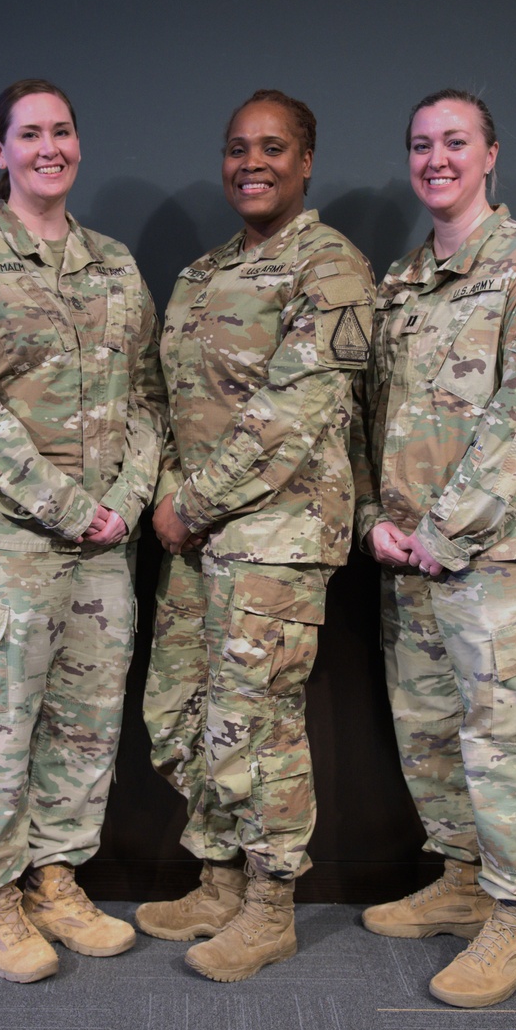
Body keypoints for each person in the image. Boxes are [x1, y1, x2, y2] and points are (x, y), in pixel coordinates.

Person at [0, 79, 165, 983]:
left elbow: (147, 397)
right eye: (29, 134)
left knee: (85, 727)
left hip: (100, 549)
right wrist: (68, 505)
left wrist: (126, 501)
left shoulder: (115, 266)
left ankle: (58, 877)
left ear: (78, 146)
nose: (48, 146)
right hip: (0, 549)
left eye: (61, 131)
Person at [354, 89, 516, 1008]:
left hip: (504, 569)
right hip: (414, 567)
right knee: (434, 738)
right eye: (421, 144)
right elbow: (378, 419)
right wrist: (376, 512)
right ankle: (460, 881)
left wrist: (446, 532)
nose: (436, 158)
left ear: (491, 153)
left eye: (455, 142)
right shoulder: (404, 283)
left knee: (512, 749)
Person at [137, 89, 375, 982]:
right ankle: (219, 877)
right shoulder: (199, 275)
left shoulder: (333, 269)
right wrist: (172, 495)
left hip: (275, 539)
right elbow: (158, 400)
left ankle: (271, 906)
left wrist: (192, 504)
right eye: (238, 147)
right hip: (195, 537)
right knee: (179, 716)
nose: (252, 162)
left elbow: (297, 412)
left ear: (306, 161)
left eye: (273, 147)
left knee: (258, 725)